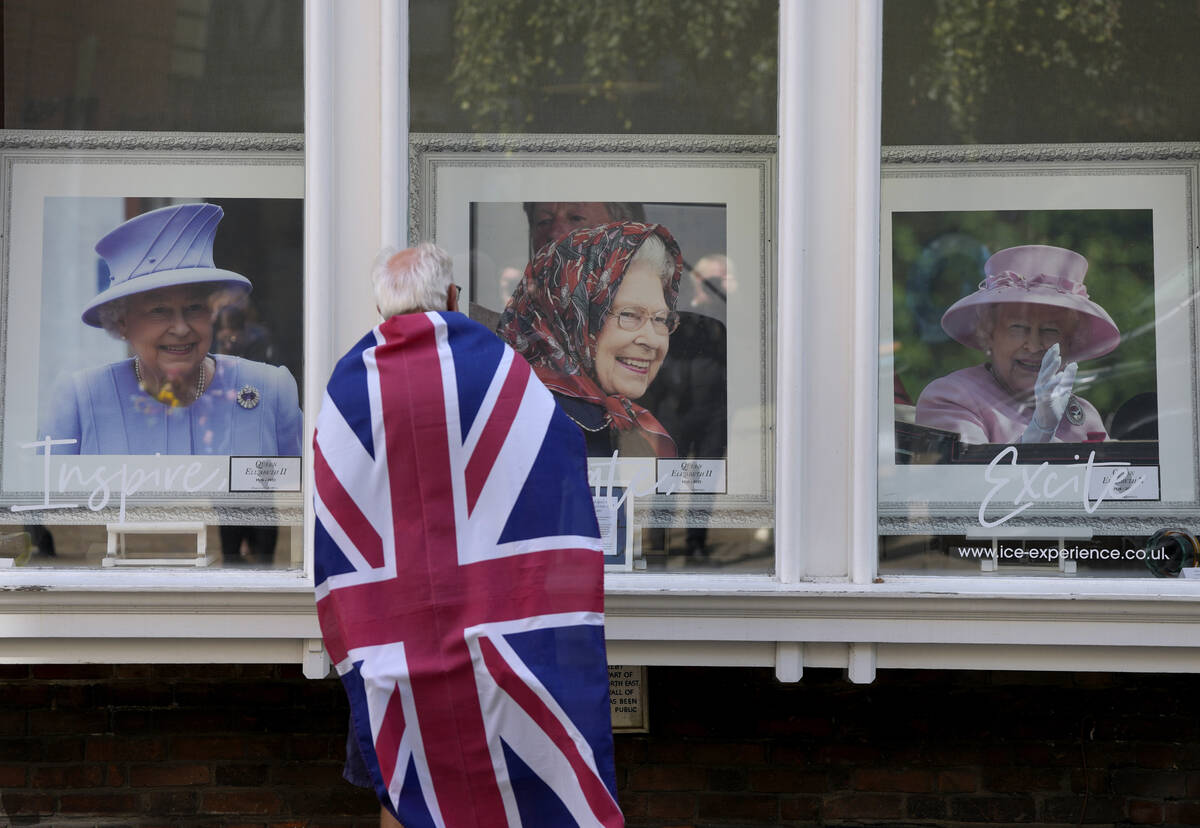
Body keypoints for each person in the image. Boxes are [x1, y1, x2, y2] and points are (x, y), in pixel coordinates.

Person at [314, 243, 622, 828]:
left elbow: (332, 495)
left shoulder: (351, 387)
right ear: (453, 298)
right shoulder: (500, 369)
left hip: (394, 633)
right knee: (514, 786)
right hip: (496, 628)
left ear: (381, 309)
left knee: (403, 781)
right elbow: (557, 458)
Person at [41, 202, 302, 457]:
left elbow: (298, 495)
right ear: (121, 322)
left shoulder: (270, 391)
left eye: (195, 307)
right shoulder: (80, 401)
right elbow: (50, 498)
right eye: (159, 310)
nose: (180, 328)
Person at [497, 221, 684, 458]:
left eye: (660, 319)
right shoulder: (529, 423)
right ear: (570, 316)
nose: (652, 340)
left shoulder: (624, 420)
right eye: (629, 315)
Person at [915, 244, 1121, 445]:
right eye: (1018, 327)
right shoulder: (951, 398)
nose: (1033, 346)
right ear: (989, 334)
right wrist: (1038, 435)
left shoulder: (1083, 414)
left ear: (1070, 342)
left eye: (1050, 331)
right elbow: (968, 477)